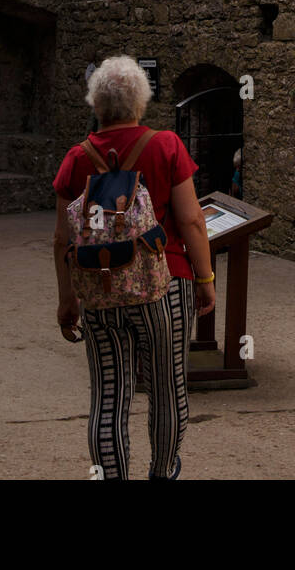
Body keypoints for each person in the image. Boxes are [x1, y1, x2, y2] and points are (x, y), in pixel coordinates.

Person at [52, 55, 216, 479]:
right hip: (165, 284)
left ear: (97, 105)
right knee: (166, 387)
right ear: (140, 103)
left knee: (109, 392)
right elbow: (192, 220)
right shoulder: (164, 146)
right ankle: (162, 471)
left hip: (99, 287)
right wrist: (205, 277)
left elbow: (62, 239)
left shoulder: (76, 158)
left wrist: (67, 298)